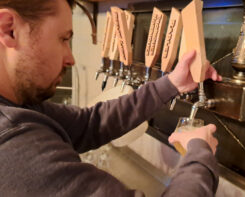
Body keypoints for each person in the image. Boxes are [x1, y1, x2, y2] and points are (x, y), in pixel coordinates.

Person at [0, 0, 222, 196]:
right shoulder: (13, 143)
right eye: (63, 39)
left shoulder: (18, 106)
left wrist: (172, 84)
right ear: (8, 29)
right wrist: (200, 155)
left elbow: (89, 124)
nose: (71, 58)